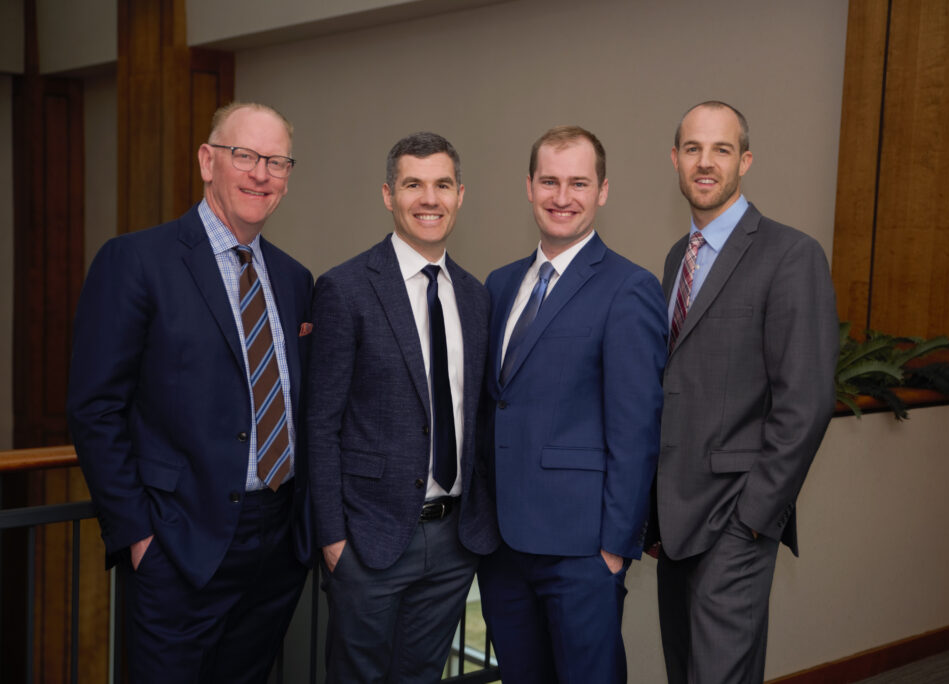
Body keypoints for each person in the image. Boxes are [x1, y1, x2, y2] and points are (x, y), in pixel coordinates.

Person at [66, 102, 313, 683]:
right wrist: (138, 537)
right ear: (208, 161)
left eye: (276, 162)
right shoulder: (135, 260)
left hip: (276, 547)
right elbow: (95, 407)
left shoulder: (295, 279)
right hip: (177, 545)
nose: (260, 174)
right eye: (244, 156)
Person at [652, 100, 839, 683]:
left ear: (745, 160)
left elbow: (805, 404)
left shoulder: (791, 255)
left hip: (736, 517)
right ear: (675, 160)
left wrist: (755, 519)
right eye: (692, 149)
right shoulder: (674, 262)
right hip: (674, 522)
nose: (705, 163)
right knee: (685, 671)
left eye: (721, 149)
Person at [477, 125, 667, 683]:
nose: (563, 197)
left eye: (578, 183)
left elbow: (637, 430)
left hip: (582, 550)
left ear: (602, 191)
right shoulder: (500, 284)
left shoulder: (629, 287)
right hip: (503, 547)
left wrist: (614, 549)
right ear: (529, 187)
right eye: (550, 182)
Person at [307, 131, 498, 683]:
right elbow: (320, 424)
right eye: (413, 184)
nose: (429, 199)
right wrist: (333, 539)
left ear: (461, 194)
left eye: (442, 185)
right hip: (368, 540)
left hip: (454, 541)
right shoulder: (345, 289)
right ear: (388, 195)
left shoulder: (475, 296)